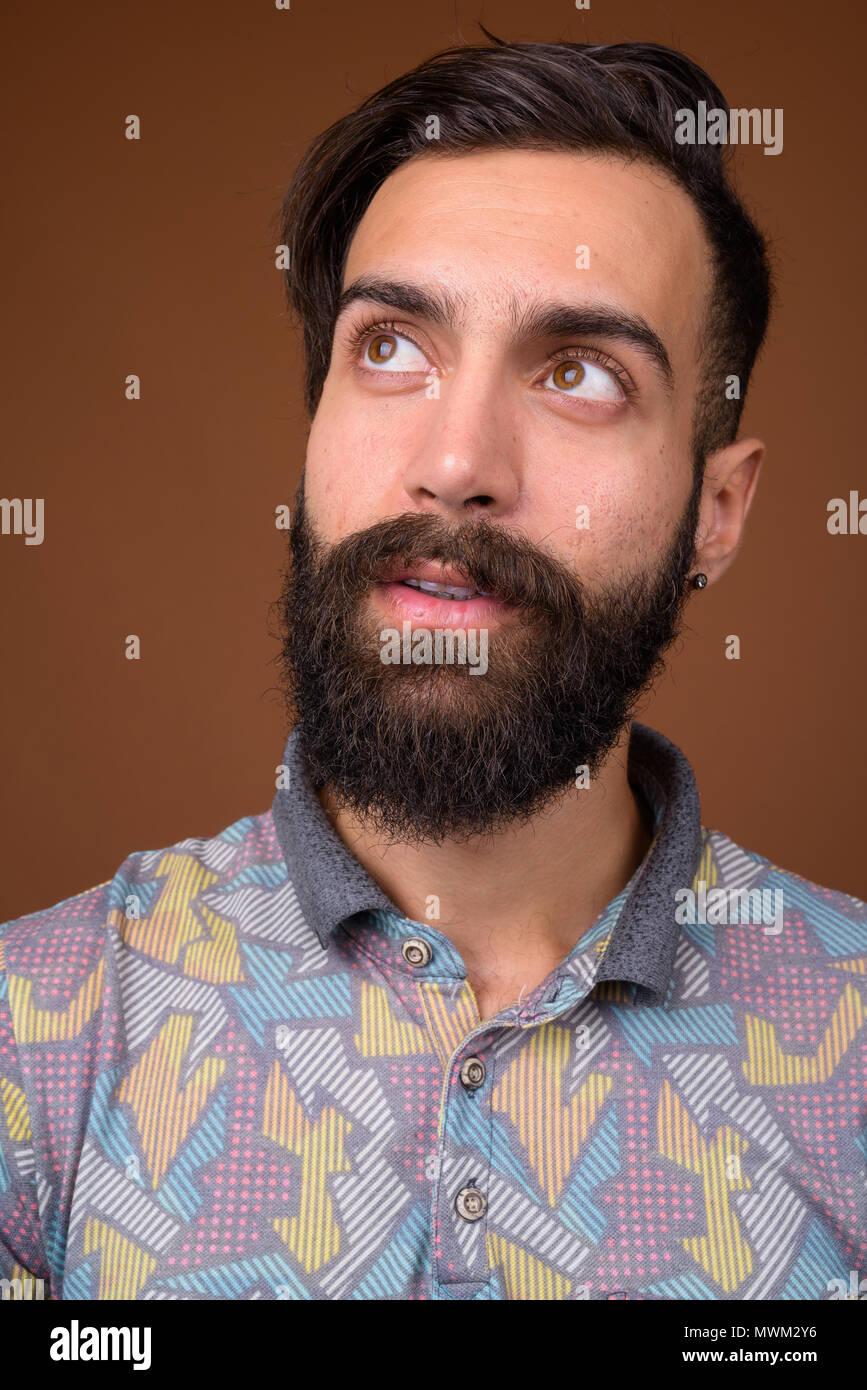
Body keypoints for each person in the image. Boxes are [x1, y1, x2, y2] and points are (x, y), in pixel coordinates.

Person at [1, 35, 864, 1303]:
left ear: (717, 513)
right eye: (391, 347)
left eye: (579, 374)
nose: (456, 461)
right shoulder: (34, 1041)